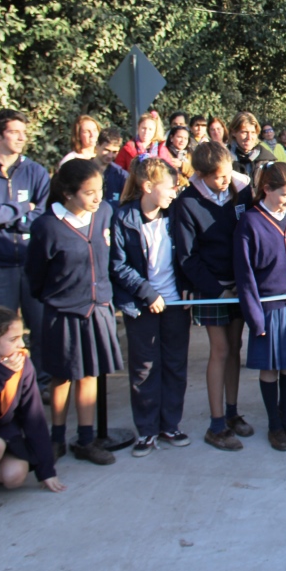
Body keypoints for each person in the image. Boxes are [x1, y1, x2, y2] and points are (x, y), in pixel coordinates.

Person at [25, 160, 123, 466]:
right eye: (89, 193)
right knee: (62, 375)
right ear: (68, 193)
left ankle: (85, 439)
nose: (98, 198)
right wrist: (56, 299)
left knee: (89, 374)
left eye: (101, 191)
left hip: (98, 308)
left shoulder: (104, 213)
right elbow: (35, 275)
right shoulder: (47, 226)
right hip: (63, 312)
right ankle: (55, 438)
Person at [174, 142, 254, 451]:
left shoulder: (240, 191)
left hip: (239, 284)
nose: (226, 181)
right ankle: (216, 423)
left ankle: (233, 412)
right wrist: (215, 288)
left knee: (235, 347)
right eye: (219, 177)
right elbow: (187, 256)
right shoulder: (187, 203)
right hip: (212, 287)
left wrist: (242, 281)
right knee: (219, 349)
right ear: (202, 175)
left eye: (228, 174)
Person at [110, 158, 192, 458]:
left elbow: (187, 252)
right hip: (141, 307)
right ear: (148, 187)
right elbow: (118, 266)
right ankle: (146, 430)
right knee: (144, 369)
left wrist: (187, 283)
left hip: (175, 305)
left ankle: (170, 425)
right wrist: (147, 294)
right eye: (171, 187)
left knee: (175, 365)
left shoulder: (175, 215)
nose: (175, 192)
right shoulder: (123, 218)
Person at [0, 109, 51, 398]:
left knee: (40, 329)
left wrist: (14, 215)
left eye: (23, 132)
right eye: (14, 132)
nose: (21, 137)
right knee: (0, 332)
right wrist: (22, 209)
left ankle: (40, 385)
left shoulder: (36, 171)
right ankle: (3, 389)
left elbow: (41, 216)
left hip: (32, 262)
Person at [234, 163, 286, 451]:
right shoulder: (250, 222)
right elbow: (245, 277)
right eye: (284, 194)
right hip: (268, 309)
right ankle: (275, 426)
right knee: (270, 368)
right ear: (266, 189)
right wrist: (256, 319)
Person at [0, 307, 64, 505]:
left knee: (13, 478)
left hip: (1, 429)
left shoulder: (21, 363)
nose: (21, 344)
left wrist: (46, 470)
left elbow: (33, 416)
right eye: (13, 339)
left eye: (21, 337)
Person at [228, 112, 277, 187]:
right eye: (244, 132)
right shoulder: (224, 157)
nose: (249, 138)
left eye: (253, 132)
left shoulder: (266, 160)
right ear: (234, 132)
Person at [94, 128, 129, 213]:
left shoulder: (122, 176)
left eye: (114, 152)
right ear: (97, 146)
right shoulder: (83, 170)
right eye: (106, 150)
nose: (110, 156)